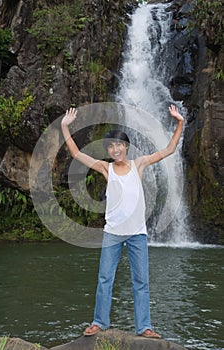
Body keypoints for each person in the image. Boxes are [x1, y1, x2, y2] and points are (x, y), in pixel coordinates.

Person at [61, 104, 184, 338]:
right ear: (108, 149)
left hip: (137, 232)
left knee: (141, 282)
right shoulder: (106, 168)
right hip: (113, 233)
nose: (115, 149)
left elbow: (169, 149)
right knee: (105, 278)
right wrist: (65, 127)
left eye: (119, 145)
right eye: (111, 146)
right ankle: (99, 322)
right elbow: (77, 154)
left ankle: (144, 327)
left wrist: (179, 123)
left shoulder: (139, 164)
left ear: (126, 147)